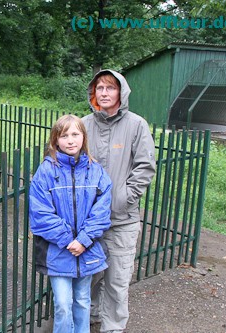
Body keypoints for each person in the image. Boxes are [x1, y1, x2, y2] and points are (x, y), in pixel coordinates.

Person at [83, 69, 156, 333]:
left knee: (117, 279)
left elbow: (145, 166)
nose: (104, 93)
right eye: (99, 88)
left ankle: (112, 327)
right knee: (88, 275)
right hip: (88, 220)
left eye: (110, 88)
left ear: (121, 92)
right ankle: (89, 314)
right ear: (93, 93)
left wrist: (124, 198)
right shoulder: (83, 125)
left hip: (121, 219)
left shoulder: (136, 125)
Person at [29, 114, 112, 333]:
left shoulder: (96, 172)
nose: (70, 140)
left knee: (83, 300)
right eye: (64, 135)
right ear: (55, 140)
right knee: (63, 304)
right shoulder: (45, 172)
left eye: (75, 134)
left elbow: (101, 212)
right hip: (59, 252)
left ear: (84, 137)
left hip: (87, 250)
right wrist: (69, 240)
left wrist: (83, 240)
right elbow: (40, 214)